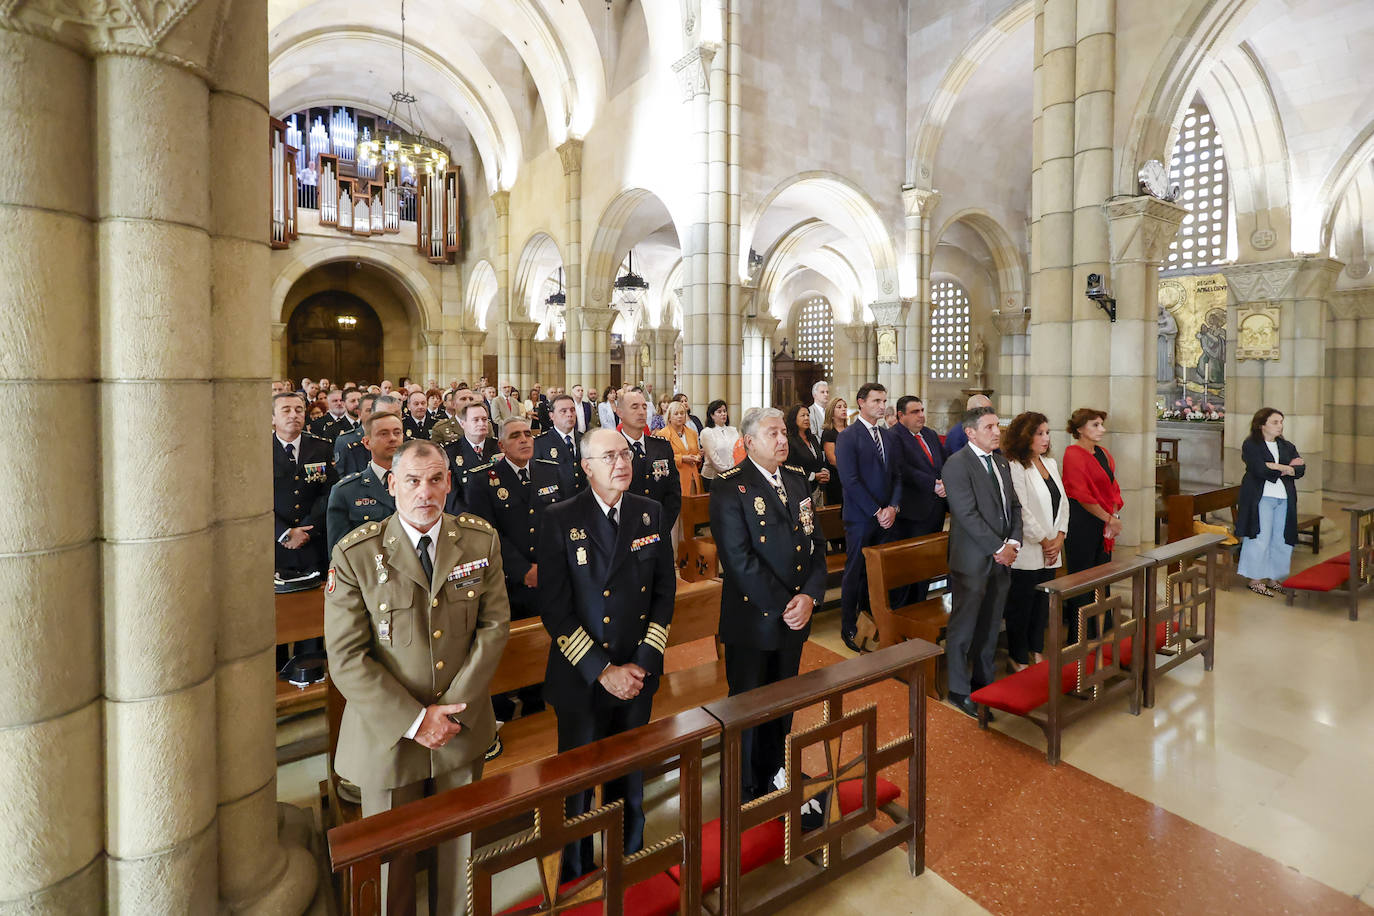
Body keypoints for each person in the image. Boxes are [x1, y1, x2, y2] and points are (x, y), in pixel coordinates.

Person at [324, 439, 510, 916]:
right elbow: (346, 658)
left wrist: (451, 712)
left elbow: (493, 628)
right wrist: (415, 720)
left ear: (449, 482)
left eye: (435, 479)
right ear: (392, 484)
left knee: (460, 856)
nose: (424, 491)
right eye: (411, 480)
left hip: (460, 726)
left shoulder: (478, 539)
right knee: (391, 867)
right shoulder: (357, 555)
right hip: (388, 735)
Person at [537, 428, 676, 881]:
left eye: (625, 455)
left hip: (636, 673)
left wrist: (643, 663)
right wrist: (603, 671)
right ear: (587, 467)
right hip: (583, 676)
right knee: (576, 787)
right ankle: (576, 878)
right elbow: (555, 609)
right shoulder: (560, 517)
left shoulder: (649, 512)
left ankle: (627, 864)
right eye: (609, 456)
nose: (622, 463)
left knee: (628, 777)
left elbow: (663, 593)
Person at [710, 408, 827, 801]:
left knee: (783, 703)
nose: (782, 439)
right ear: (750, 442)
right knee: (748, 705)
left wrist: (809, 596)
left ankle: (776, 772)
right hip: (754, 620)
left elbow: (816, 546)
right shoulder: (730, 487)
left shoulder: (795, 481)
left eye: (783, 432)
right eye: (773, 433)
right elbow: (739, 561)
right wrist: (787, 605)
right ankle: (742, 787)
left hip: (795, 617)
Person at [942, 406, 1022, 718]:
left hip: (1002, 558)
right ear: (971, 433)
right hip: (972, 560)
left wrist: (1013, 542)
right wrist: (998, 547)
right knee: (964, 627)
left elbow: (1014, 506)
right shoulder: (957, 464)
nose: (997, 431)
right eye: (989, 427)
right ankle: (959, 689)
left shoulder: (1001, 462)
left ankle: (984, 683)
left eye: (997, 426)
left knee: (990, 627)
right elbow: (966, 514)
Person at [835, 383, 899, 652]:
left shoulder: (888, 436)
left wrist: (893, 507)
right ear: (861, 402)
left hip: (887, 517)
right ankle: (849, 625)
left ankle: (871, 620)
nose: (882, 406)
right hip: (861, 517)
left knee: (876, 573)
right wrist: (877, 510)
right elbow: (850, 480)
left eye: (884, 401)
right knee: (855, 571)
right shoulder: (849, 436)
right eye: (876, 401)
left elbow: (897, 476)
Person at [1003, 412, 1068, 671]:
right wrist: (1044, 541)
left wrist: (1060, 537)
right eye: (1039, 433)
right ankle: (1018, 656)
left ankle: (1036, 649)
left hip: (1052, 546)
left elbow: (1063, 503)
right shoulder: (1015, 465)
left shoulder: (1049, 463)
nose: (1045, 438)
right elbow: (1021, 509)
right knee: (1023, 604)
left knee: (1042, 603)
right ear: (1024, 435)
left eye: (1047, 432)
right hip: (1029, 548)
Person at [1060, 407, 1123, 639]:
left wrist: (1113, 517)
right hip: (1083, 524)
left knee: (1102, 576)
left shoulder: (1103, 453)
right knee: (1082, 578)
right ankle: (1078, 636)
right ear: (1079, 429)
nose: (1102, 429)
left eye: (1101, 424)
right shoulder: (1072, 454)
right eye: (1095, 425)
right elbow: (1081, 495)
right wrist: (1109, 518)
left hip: (1104, 523)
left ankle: (1103, 629)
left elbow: (1112, 487)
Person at [1236, 407, 1306, 596]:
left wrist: (1277, 466)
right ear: (1261, 425)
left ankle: (1274, 577)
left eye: (1281, 422)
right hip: (1261, 497)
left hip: (1284, 497)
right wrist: (1287, 468)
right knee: (1260, 538)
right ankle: (1255, 579)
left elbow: (1301, 469)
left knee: (1282, 538)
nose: (1280, 426)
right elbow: (1259, 469)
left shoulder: (1287, 446)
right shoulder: (1251, 445)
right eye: (1275, 422)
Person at [273, 392, 337, 584]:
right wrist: (284, 533)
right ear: (272, 417)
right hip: (274, 544)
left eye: (299, 410)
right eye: (286, 410)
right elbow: (252, 501)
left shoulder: (320, 448)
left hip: (313, 542)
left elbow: (329, 492)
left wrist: (308, 530)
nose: (293, 414)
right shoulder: (260, 450)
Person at [887, 395, 946, 600]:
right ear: (901, 415)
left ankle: (920, 603)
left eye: (922, 410)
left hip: (934, 510)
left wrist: (945, 482)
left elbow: (942, 463)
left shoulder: (929, 434)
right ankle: (904, 608)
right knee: (910, 566)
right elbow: (902, 468)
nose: (921, 415)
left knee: (927, 564)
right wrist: (933, 484)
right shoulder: (894, 436)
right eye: (915, 412)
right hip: (912, 513)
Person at [325, 410, 403, 555]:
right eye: (384, 433)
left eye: (397, 432)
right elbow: (339, 553)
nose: (392, 438)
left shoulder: (418, 485)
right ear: (367, 442)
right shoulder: (345, 491)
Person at [618, 386, 681, 542]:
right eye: (635, 407)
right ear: (620, 413)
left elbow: (673, 491)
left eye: (644, 407)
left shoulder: (661, 446)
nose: (641, 412)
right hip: (625, 534)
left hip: (659, 531)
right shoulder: (612, 448)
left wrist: (662, 525)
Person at [444, 401, 500, 506]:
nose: (481, 423)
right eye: (475, 420)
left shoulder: (499, 447)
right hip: (468, 514)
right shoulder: (451, 453)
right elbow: (453, 498)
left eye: (484, 419)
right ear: (462, 423)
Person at [335, 395, 403, 477]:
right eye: (383, 415)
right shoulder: (350, 444)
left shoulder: (410, 444)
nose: (391, 419)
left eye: (396, 415)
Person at [534, 393, 587, 495]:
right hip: (557, 502)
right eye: (563, 411)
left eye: (572, 410)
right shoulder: (541, 443)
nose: (569, 414)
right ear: (552, 416)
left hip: (583, 500)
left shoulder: (584, 439)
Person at [655, 400, 704, 496]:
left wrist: (697, 457)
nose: (680, 416)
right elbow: (661, 461)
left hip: (693, 477)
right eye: (676, 414)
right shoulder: (662, 434)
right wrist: (682, 458)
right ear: (669, 417)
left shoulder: (692, 433)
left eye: (682, 413)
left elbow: (696, 452)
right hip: (675, 479)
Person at [784, 403, 828, 500]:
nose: (806, 418)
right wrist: (813, 476)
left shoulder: (812, 438)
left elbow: (820, 459)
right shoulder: (790, 440)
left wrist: (824, 471)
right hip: (800, 490)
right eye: (803, 415)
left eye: (808, 415)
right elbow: (789, 466)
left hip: (818, 489)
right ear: (794, 418)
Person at [699, 399, 740, 492]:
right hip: (713, 477)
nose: (723, 414)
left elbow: (737, 451)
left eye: (725, 411)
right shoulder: (707, 432)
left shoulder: (733, 430)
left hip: (733, 474)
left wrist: (734, 470)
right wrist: (727, 472)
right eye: (719, 412)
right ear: (712, 415)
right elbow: (713, 457)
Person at [820, 397, 848, 507]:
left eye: (845, 407)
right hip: (836, 478)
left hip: (851, 476)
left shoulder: (850, 430)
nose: (844, 409)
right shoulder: (829, 432)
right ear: (831, 412)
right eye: (839, 407)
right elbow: (832, 460)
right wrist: (850, 470)